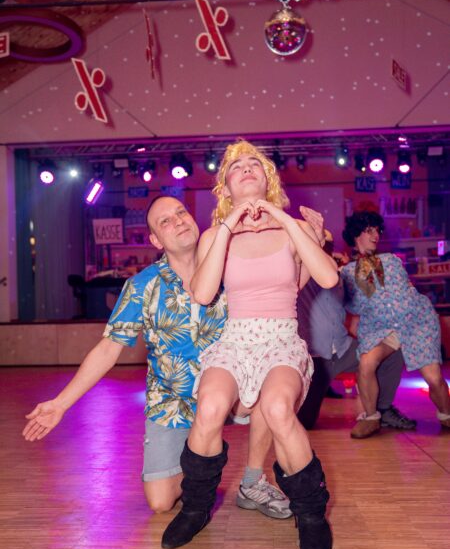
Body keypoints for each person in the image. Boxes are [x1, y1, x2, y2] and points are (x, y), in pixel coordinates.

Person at [22, 196, 290, 518]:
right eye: (165, 221)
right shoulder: (142, 286)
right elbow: (108, 349)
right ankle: (205, 461)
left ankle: (252, 481)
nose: (178, 221)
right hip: (172, 403)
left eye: (181, 212)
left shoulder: (231, 269)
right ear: (155, 240)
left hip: (229, 391)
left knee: (268, 386)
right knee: (160, 502)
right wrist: (60, 404)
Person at [161, 140, 339, 549]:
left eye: (254, 164)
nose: (245, 168)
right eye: (235, 166)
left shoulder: (293, 227)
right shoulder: (214, 236)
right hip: (236, 339)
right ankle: (196, 508)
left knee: (277, 409)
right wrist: (228, 225)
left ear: (267, 179)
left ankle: (311, 513)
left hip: (281, 338)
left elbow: (328, 278)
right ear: (225, 186)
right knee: (209, 406)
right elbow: (203, 294)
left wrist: (285, 219)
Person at [340, 210, 450, 438]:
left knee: (434, 378)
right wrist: (347, 271)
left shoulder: (391, 260)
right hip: (383, 328)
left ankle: (446, 414)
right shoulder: (347, 272)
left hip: (416, 322)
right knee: (366, 363)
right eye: (369, 231)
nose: (376, 236)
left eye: (377, 231)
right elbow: (357, 306)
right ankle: (371, 418)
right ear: (356, 234)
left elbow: (402, 290)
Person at [297, 234, 417, 433]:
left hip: (343, 349)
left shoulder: (342, 274)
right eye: (321, 243)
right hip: (315, 358)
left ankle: (382, 409)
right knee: (304, 423)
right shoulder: (300, 274)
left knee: (392, 353)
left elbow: (368, 299)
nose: (326, 248)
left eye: (329, 245)